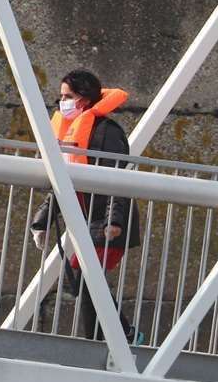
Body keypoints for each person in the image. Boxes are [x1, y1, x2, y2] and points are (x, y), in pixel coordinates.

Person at [30, 69, 144, 344]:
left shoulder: (107, 132)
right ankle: (109, 336)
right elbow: (63, 183)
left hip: (106, 223)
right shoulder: (72, 132)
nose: (62, 103)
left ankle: (117, 335)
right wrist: (42, 221)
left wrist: (113, 222)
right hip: (89, 221)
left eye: (67, 97)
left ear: (84, 99)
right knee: (85, 279)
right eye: (61, 97)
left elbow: (116, 179)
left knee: (85, 276)